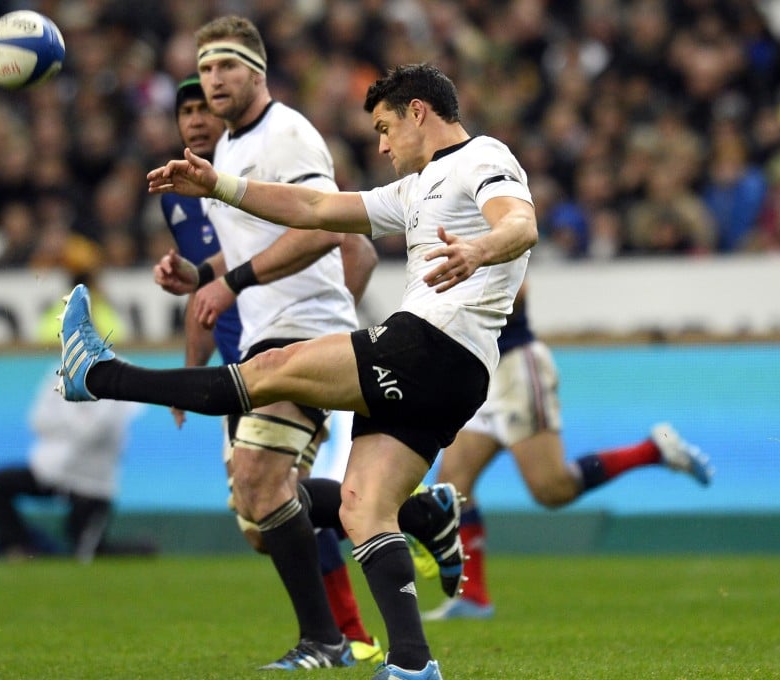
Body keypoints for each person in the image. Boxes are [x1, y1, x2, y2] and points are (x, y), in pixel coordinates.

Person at [58, 61, 537, 680]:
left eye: (387, 128)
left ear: (420, 111)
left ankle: (99, 377)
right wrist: (219, 186)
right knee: (363, 508)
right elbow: (313, 206)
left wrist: (477, 248)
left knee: (272, 370)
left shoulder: (481, 158)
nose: (383, 145)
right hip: (458, 374)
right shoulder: (416, 188)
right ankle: (415, 664)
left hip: (432, 344)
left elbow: (521, 224)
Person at [159, 73, 383, 663]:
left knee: (266, 489)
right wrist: (190, 367)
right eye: (186, 112)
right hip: (237, 364)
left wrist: (326, 332)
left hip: (286, 353)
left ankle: (342, 636)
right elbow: (211, 289)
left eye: (207, 107)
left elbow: (355, 246)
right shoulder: (179, 195)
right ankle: (415, 512)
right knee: (260, 521)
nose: (198, 120)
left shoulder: (267, 160)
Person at [419, 282, 714, 621]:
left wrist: (458, 300)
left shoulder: (486, 231)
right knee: (454, 485)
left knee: (551, 489)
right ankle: (473, 598)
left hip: (515, 367)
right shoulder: (436, 231)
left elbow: (517, 290)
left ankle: (652, 451)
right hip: (478, 371)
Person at [0, 366, 148, 563]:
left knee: (84, 554)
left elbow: (93, 431)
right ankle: (20, 545)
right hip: (50, 470)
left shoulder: (115, 375)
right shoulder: (59, 372)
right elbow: (37, 421)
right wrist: (78, 419)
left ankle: (143, 549)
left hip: (91, 482)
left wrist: (65, 412)